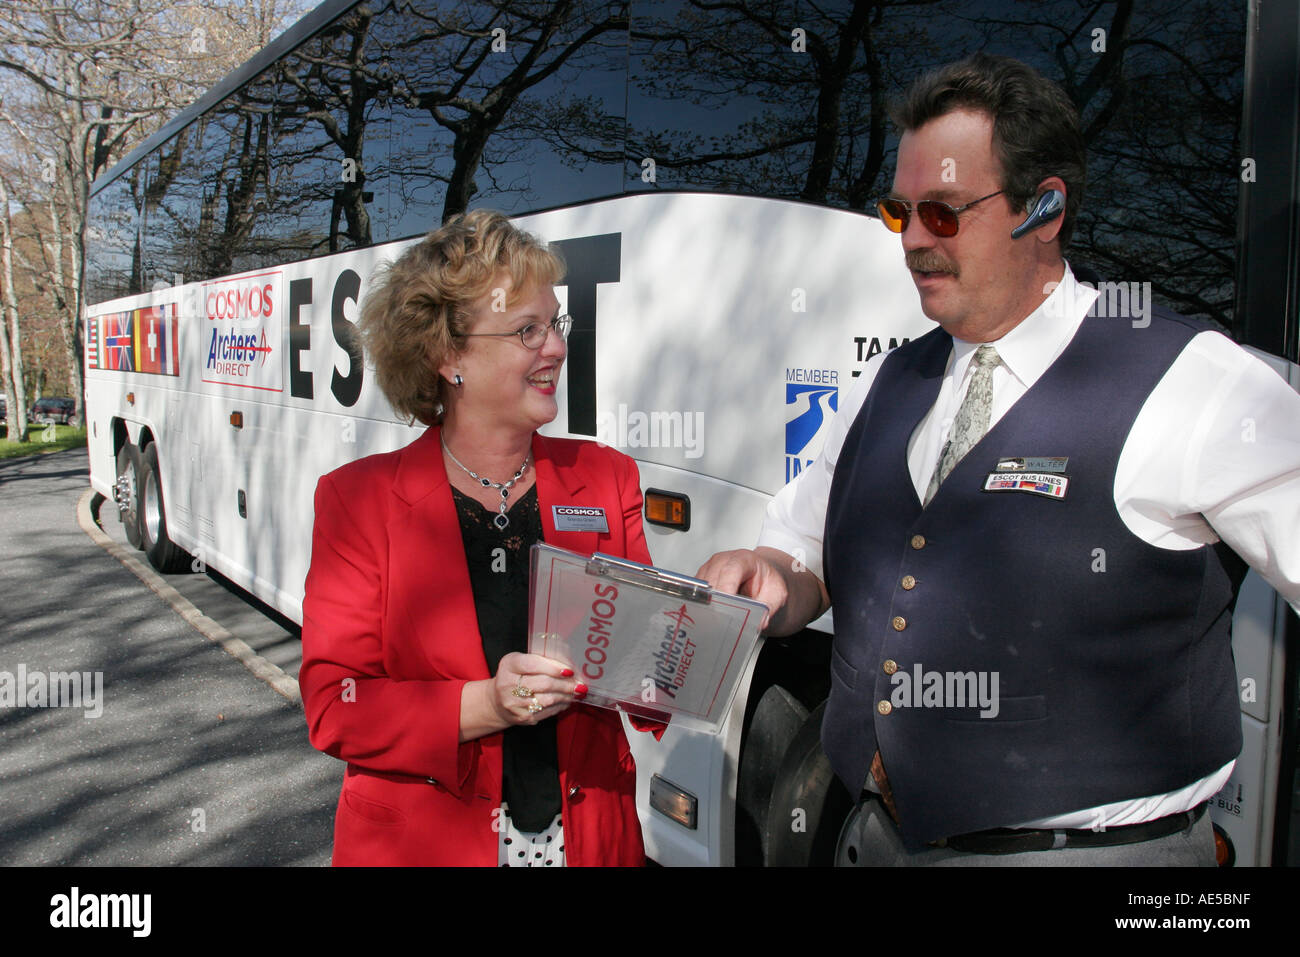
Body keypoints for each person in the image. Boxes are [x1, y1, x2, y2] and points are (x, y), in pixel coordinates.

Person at [699, 53, 1300, 865]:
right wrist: (771, 575)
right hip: (873, 835)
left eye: (943, 212)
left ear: (1044, 208)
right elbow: (803, 551)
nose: (912, 240)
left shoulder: (1193, 379)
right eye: (898, 211)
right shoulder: (892, 378)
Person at [300, 209, 652, 866]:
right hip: (423, 846)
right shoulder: (359, 501)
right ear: (448, 355)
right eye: (527, 329)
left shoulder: (606, 478)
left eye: (555, 323)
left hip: (587, 840)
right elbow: (335, 703)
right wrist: (485, 704)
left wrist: (690, 638)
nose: (555, 346)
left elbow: (638, 666)